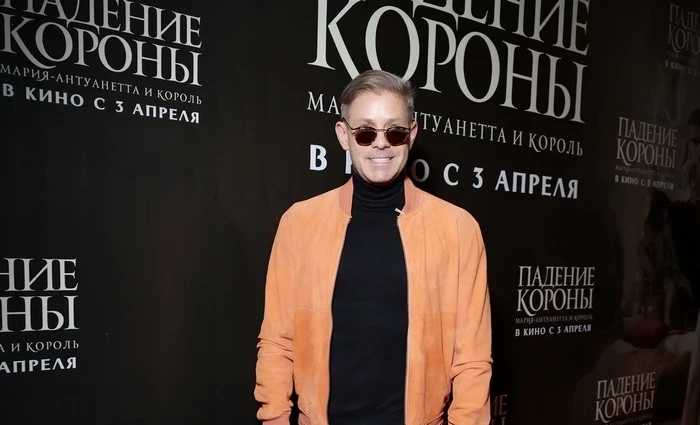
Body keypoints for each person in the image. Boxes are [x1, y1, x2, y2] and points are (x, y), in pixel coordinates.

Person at [254, 69, 493, 425]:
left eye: (394, 132)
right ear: (343, 135)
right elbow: (277, 341)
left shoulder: (458, 229)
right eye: (365, 132)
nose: (381, 144)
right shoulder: (299, 223)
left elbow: (472, 358)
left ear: (411, 134)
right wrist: (274, 419)